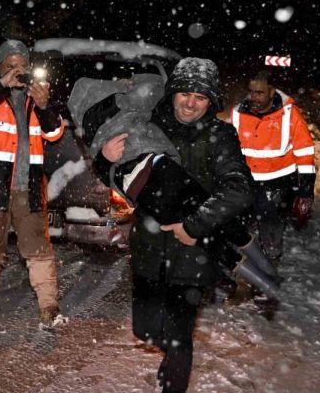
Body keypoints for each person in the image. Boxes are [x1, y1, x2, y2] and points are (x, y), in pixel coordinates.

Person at [93, 58, 255, 393]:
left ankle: (172, 381)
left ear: (211, 101)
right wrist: (104, 159)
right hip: (149, 248)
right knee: (147, 330)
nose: (191, 103)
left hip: (193, 255)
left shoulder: (220, 135)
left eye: (201, 96)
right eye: (185, 93)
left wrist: (193, 226)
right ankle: (171, 361)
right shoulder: (148, 124)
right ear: (174, 93)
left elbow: (239, 191)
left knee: (180, 338)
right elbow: (121, 177)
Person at [66, 73, 280, 297]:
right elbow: (154, 86)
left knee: (207, 236)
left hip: (145, 190)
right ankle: (265, 278)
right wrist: (129, 84)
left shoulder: (92, 131)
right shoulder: (123, 104)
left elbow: (103, 172)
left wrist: (103, 158)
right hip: (158, 174)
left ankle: (259, 282)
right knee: (211, 218)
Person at [0, 39, 67, 330]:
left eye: (22, 66)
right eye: (11, 66)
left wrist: (45, 106)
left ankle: (50, 310)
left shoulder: (35, 96)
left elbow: (55, 132)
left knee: (39, 250)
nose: (18, 72)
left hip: (27, 189)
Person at [231, 70, 316, 265]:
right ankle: (246, 263)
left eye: (260, 93)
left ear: (272, 92)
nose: (254, 97)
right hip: (247, 180)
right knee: (243, 224)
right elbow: (228, 148)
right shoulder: (238, 113)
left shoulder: (288, 115)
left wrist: (305, 191)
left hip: (278, 182)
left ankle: (270, 264)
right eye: (251, 92)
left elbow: (305, 152)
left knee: (270, 223)